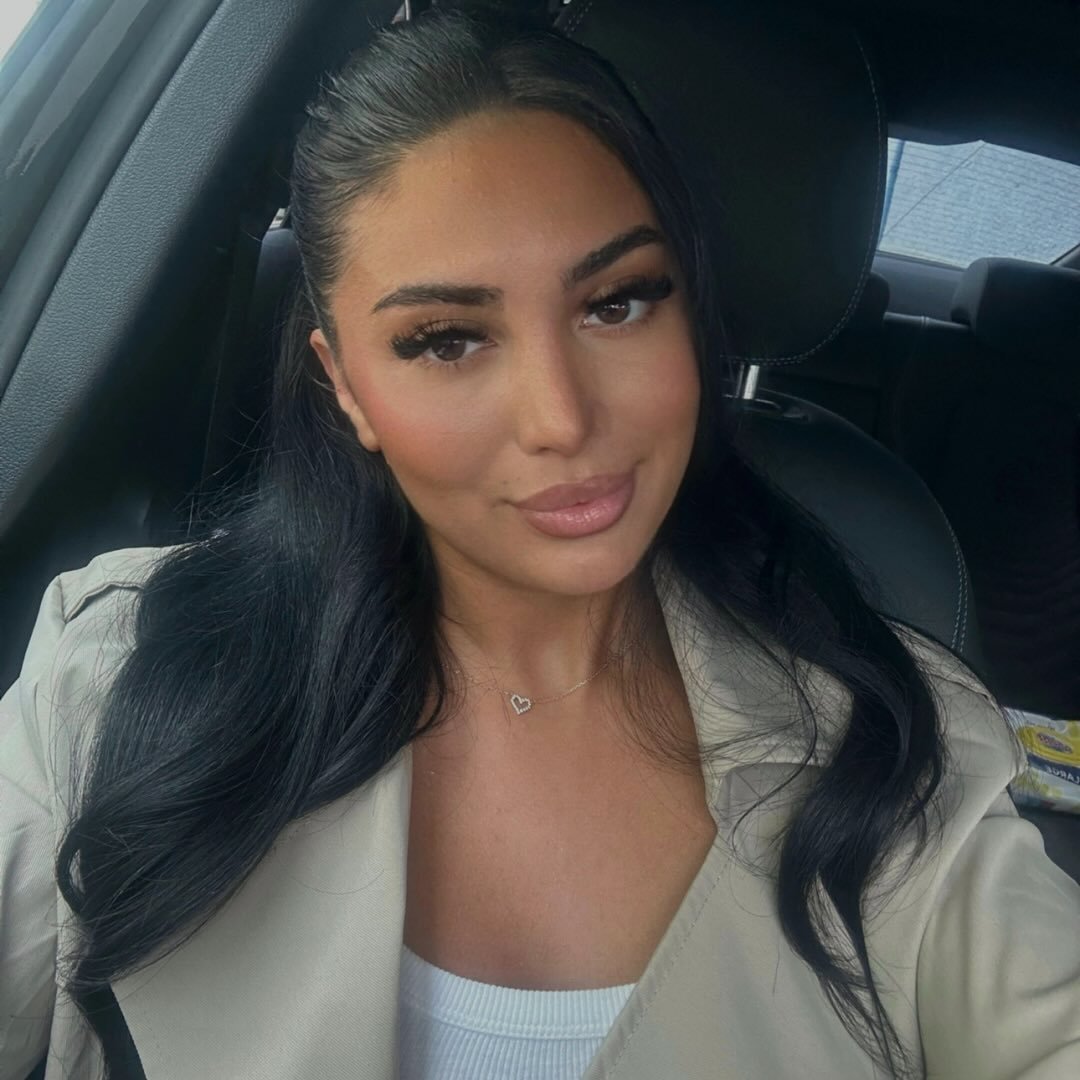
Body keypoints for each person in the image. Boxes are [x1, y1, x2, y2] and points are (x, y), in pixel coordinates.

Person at [2, 6, 1078, 1080]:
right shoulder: (115, 678)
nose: (561, 418)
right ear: (347, 388)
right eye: (446, 340)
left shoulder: (897, 744)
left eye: (618, 303)